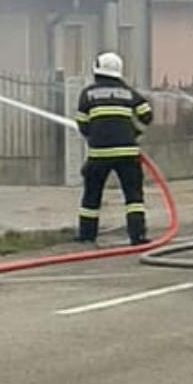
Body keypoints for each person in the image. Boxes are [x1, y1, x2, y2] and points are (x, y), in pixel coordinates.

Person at [75, 52, 154, 246]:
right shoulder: (129, 92)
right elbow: (147, 115)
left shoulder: (88, 94)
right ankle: (137, 236)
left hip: (99, 154)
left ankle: (87, 235)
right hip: (127, 153)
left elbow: (82, 123)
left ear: (97, 70)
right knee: (133, 196)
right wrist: (135, 133)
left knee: (92, 195)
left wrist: (93, 136)